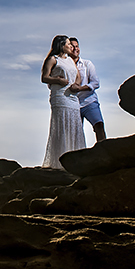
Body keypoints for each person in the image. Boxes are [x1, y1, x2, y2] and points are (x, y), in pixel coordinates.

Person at [40, 34, 86, 168]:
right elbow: (44, 77)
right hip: (60, 96)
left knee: (74, 126)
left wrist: (76, 86)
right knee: (62, 126)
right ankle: (59, 162)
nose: (71, 46)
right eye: (68, 44)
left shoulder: (71, 60)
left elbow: (77, 76)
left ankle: (75, 161)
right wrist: (58, 80)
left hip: (72, 97)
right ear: (61, 45)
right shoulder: (53, 59)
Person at [71, 37, 106, 143]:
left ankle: (104, 151)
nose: (75, 49)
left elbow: (95, 83)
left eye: (77, 46)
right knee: (75, 134)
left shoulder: (87, 64)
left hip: (89, 101)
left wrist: (80, 88)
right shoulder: (64, 66)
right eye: (72, 47)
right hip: (73, 104)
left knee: (99, 125)